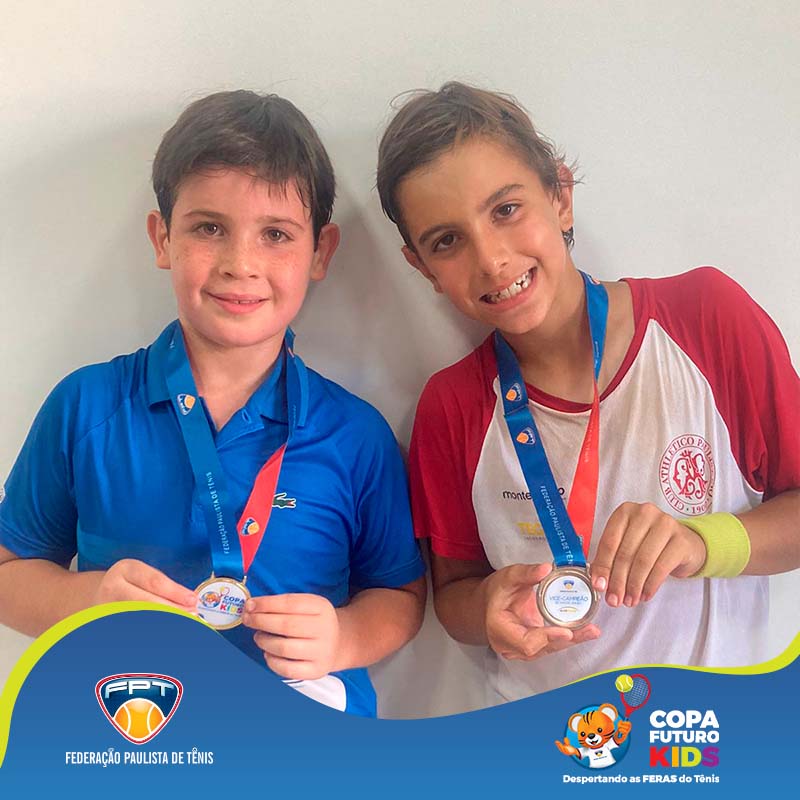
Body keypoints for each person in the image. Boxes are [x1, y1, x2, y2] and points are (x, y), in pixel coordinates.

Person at [0, 90, 426, 717]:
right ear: (162, 238)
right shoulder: (85, 407)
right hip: (131, 736)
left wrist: (345, 637)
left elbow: (402, 596)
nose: (240, 264)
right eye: (209, 228)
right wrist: (86, 603)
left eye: (275, 234)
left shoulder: (356, 435)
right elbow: (9, 569)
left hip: (301, 746)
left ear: (320, 252)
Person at [376, 81, 799, 705]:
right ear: (422, 267)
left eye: (506, 209)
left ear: (561, 197)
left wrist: (701, 542)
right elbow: (455, 594)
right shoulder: (451, 405)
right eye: (447, 241)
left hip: (704, 739)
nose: (491, 259)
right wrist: (487, 608)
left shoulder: (707, 317)